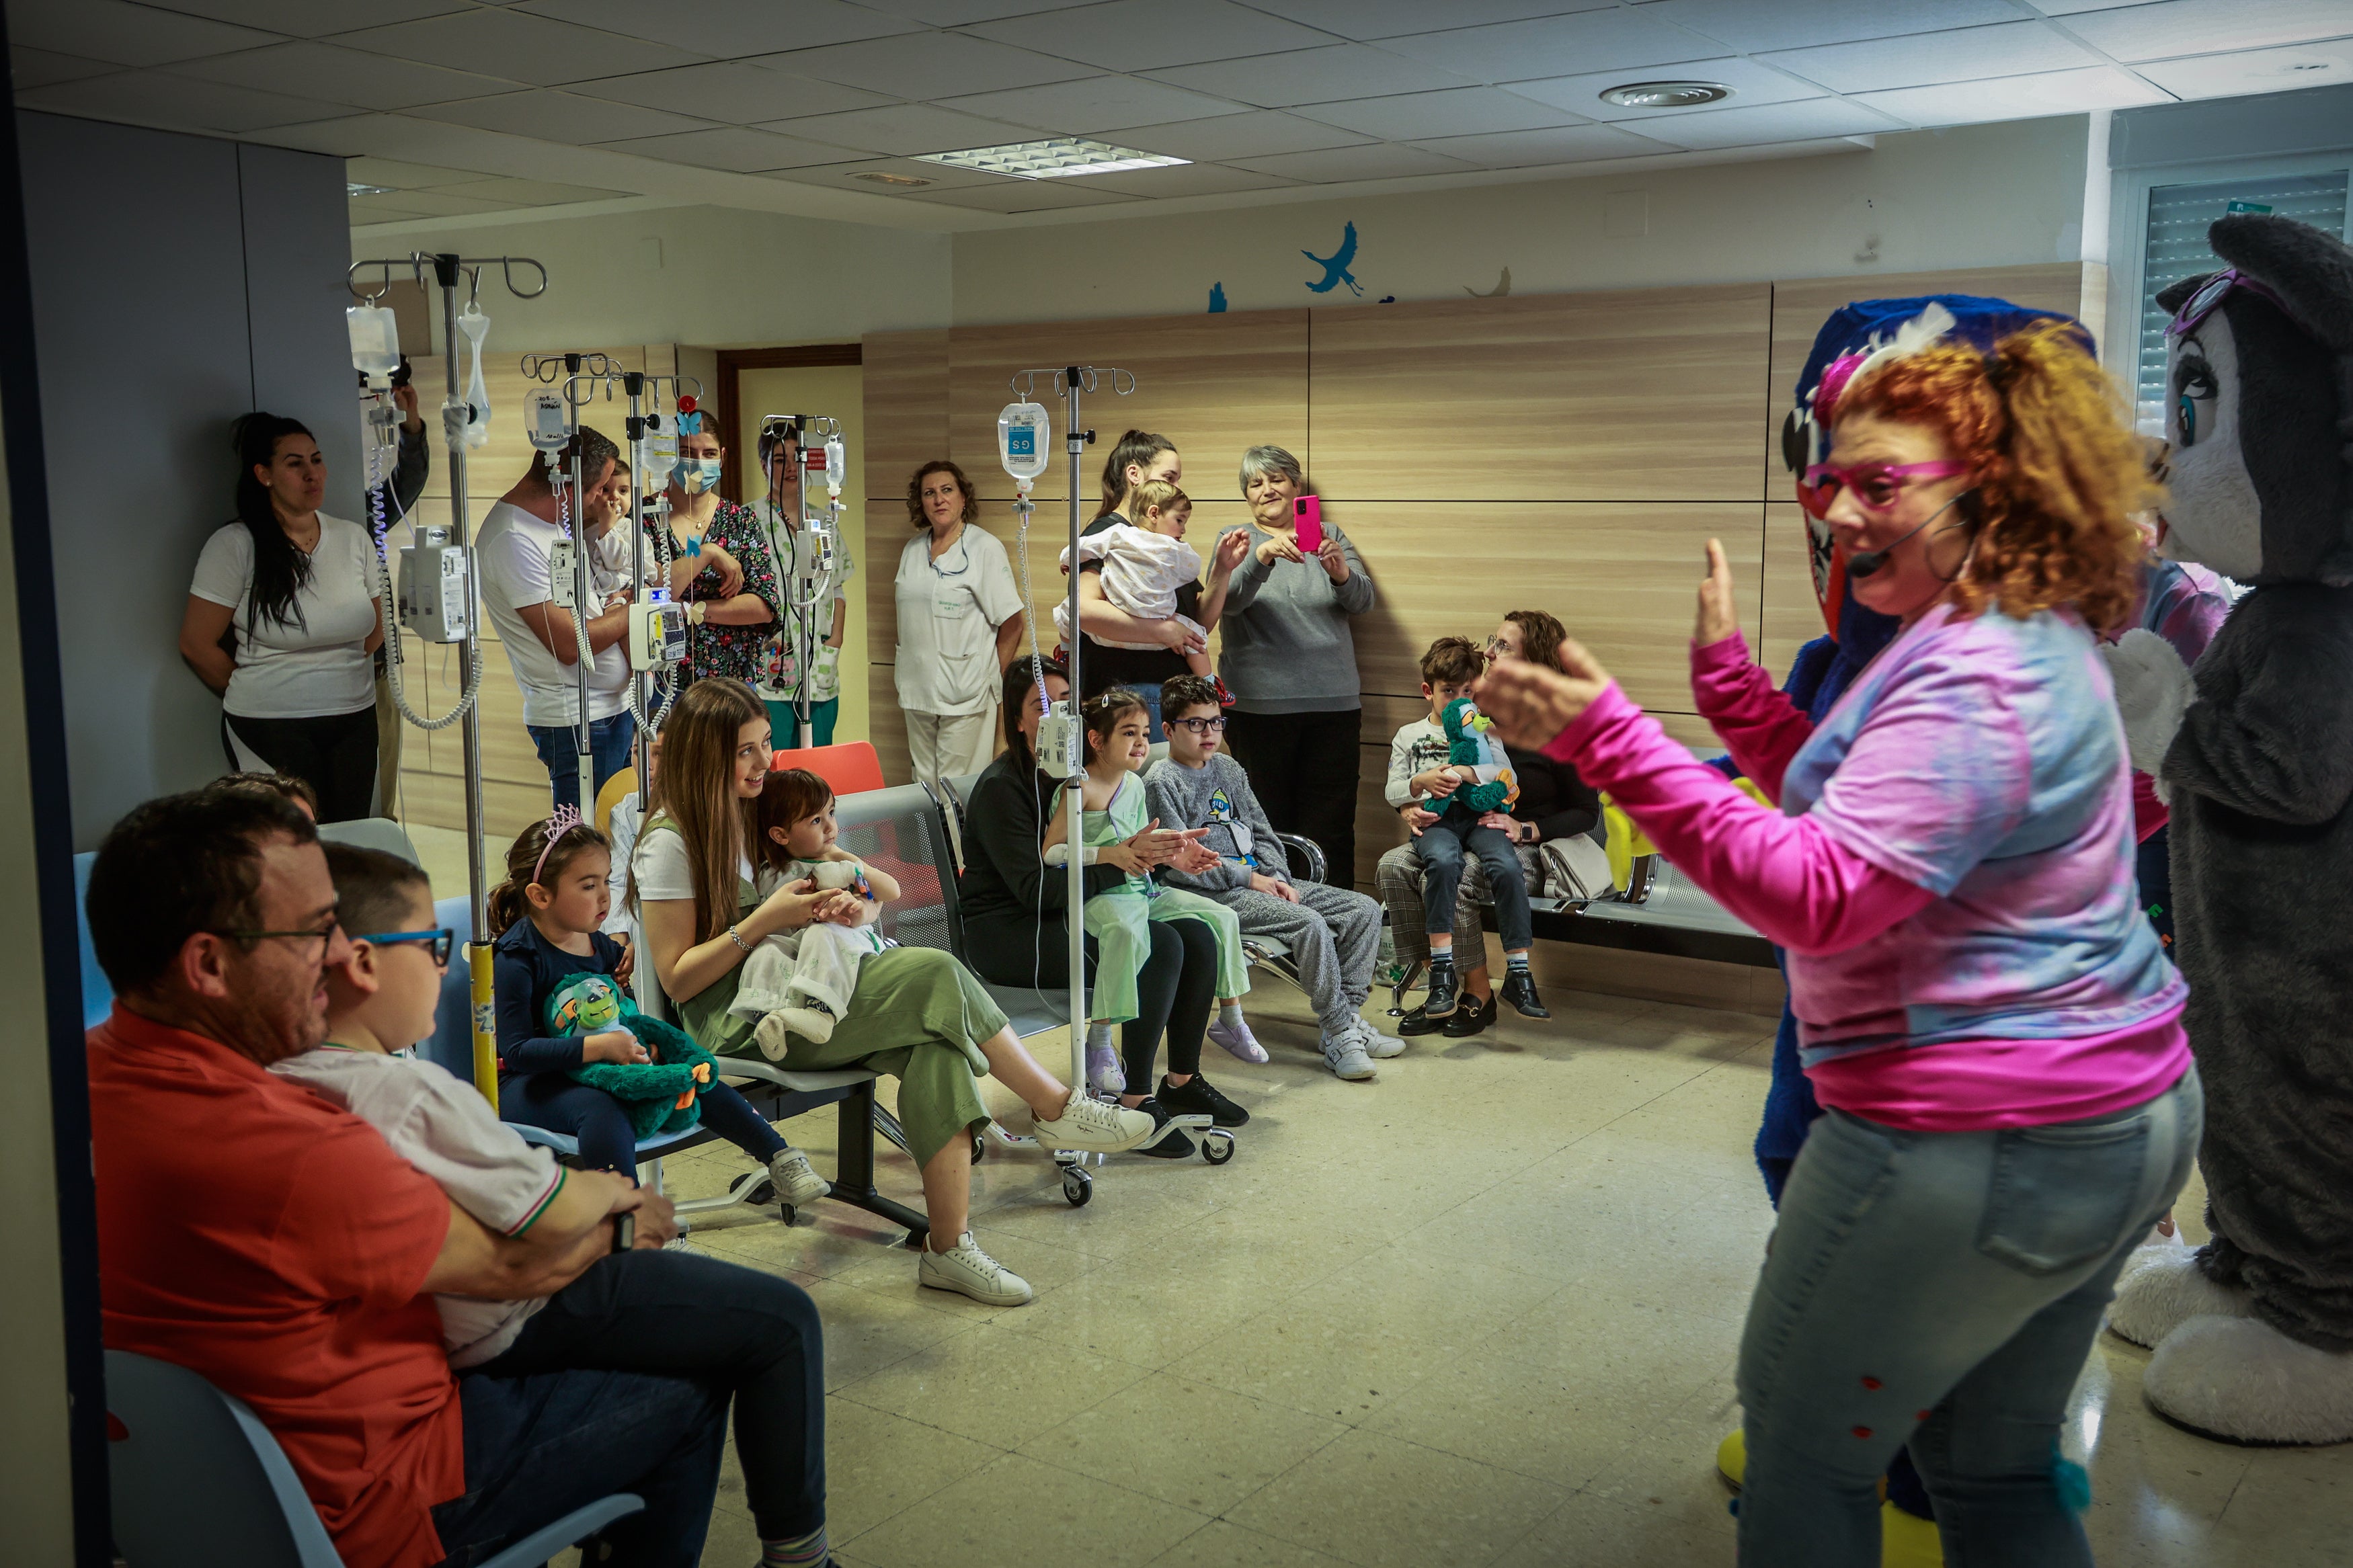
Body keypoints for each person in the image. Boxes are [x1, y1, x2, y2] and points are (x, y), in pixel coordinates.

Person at [1477, 317, 2200, 1568]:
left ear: (1996, 491)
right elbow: (1864, 802)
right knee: (1994, 1468)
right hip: (2100, 1110)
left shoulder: (1981, 669)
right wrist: (1731, 698)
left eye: (1880, 486)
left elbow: (1820, 888)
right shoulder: (2014, 632)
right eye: (1832, 482)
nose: (1841, 514)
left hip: (1977, 1131)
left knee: (1812, 1456)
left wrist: (1608, 740)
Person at [81, 788, 761, 1568]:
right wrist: (622, 1219)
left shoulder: (71, 1088)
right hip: (376, 1490)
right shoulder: (295, 1144)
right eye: (313, 933)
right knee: (685, 1387)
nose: (341, 957)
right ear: (207, 962)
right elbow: (512, 1266)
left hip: (193, 1497)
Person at [268, 842, 837, 1568]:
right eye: (433, 945)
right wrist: (622, 1204)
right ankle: (801, 1557)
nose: (445, 967)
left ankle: (773, 1154)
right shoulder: (402, 1092)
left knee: (692, 1089)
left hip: (436, 1338)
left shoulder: (278, 1079)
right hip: (501, 1325)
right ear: (361, 962)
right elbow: (548, 1211)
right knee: (775, 1324)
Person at [634, 677, 1156, 1306]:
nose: (766, 762)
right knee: (935, 973)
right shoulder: (670, 844)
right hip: (747, 1015)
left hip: (812, 985)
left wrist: (853, 911)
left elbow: (845, 881)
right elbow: (678, 978)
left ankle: (948, 1248)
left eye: (766, 744)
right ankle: (1054, 1106)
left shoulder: (752, 813)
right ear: (704, 755)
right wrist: (766, 919)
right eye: (747, 751)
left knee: (935, 1053)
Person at [488, 809, 830, 1210]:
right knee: (602, 1110)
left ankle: (779, 1158)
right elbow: (517, 1052)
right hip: (525, 1083)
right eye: (587, 886)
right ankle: (629, 1218)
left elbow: (621, 1015)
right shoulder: (516, 959)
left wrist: (639, 1043)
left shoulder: (598, 945)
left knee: (694, 1072)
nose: (604, 897)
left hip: (598, 1068)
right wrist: (603, 1049)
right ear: (540, 896)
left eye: (605, 881)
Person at [958, 658, 1226, 1104]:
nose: (1056, 714)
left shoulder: (1083, 774)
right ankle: (1136, 1098)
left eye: (1065, 702)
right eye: (1042, 704)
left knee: (1197, 935)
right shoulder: (1004, 789)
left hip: (1074, 906)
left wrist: (1166, 853)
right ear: (1018, 719)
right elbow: (1035, 890)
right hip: (1011, 931)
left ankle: (1182, 1081)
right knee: (1162, 946)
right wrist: (1120, 861)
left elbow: (1125, 858)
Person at [1148, 673, 1396, 1081]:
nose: (1209, 733)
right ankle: (1337, 1029)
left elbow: (1262, 831)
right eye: (1195, 723)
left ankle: (1346, 1022)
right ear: (1169, 729)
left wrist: (1276, 877)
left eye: (1215, 721)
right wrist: (1251, 880)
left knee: (1364, 909)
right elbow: (1182, 861)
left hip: (1262, 881)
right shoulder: (1162, 781)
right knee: (1310, 923)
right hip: (1217, 893)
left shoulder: (1227, 766)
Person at [1375, 611, 1602, 1039]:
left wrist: (1526, 828)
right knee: (1393, 866)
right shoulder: (1475, 708)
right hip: (1458, 824)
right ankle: (1439, 985)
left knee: (1454, 878)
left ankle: (1477, 995)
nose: (1488, 652)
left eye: (1502, 646)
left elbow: (1586, 813)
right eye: (1491, 641)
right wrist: (1408, 810)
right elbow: (1424, 769)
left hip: (1526, 844)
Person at [1043, 688, 1252, 1135]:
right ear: (1096, 740)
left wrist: (1176, 855)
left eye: (1143, 732)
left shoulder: (1134, 784)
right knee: (1127, 931)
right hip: (1106, 896)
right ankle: (1100, 1040)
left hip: (1142, 889)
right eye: (1128, 733)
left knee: (1218, 918)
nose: (1140, 743)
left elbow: (1143, 845)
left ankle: (1231, 1017)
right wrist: (1108, 855)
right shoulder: (1077, 789)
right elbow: (1052, 852)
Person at [181, 413, 383, 823]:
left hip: (354, 717)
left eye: (316, 459)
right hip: (270, 723)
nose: (313, 474)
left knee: (350, 839)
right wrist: (264, 685)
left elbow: (376, 628)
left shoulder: (352, 538)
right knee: (291, 847)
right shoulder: (235, 545)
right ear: (264, 474)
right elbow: (197, 644)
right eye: (295, 464)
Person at [475, 429, 641, 811]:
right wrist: (634, 613)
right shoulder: (512, 539)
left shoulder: (554, 525)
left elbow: (584, 609)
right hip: (577, 722)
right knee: (584, 848)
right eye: (598, 488)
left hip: (609, 709)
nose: (604, 499)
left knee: (616, 841)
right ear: (564, 482)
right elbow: (570, 644)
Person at [1387, 636, 1544, 1027]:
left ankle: (1519, 973)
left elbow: (1505, 775)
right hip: (1436, 822)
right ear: (1428, 692)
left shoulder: (1484, 731)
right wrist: (1420, 783)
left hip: (1480, 817)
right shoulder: (1409, 735)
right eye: (1448, 691)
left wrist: (1465, 772)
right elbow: (1392, 790)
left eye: (1467, 691)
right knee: (1441, 864)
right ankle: (1441, 975)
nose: (1459, 699)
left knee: (1506, 867)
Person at [1068, 430, 1249, 737]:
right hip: (1130, 695)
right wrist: (1163, 631)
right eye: (1170, 477)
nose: (1176, 488)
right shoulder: (1108, 535)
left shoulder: (1163, 541)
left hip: (1167, 693)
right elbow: (1083, 609)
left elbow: (1198, 623)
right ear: (1135, 475)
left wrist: (1222, 569)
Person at [729, 768, 896, 1050]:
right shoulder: (768, 872)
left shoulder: (837, 866)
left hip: (842, 943)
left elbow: (890, 891)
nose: (830, 827)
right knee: (766, 950)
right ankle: (770, 1020)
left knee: (821, 933)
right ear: (780, 835)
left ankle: (821, 1014)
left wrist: (846, 860)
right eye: (817, 820)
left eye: (832, 813)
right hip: (795, 951)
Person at [892, 460, 1023, 786]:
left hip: (967, 694)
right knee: (922, 788)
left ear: (964, 498)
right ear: (921, 503)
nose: (939, 499)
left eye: (947, 490)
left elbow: (1013, 624)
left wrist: (990, 677)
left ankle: (960, 841)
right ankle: (928, 842)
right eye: (929, 493)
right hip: (917, 688)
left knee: (957, 791)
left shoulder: (984, 548)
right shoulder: (912, 550)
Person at [1055, 480, 1232, 700]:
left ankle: (1065, 651)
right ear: (1154, 512)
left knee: (1064, 612)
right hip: (1158, 623)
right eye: (1179, 521)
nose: (1183, 529)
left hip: (1116, 627)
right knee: (1196, 637)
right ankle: (1210, 685)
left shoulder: (1118, 534)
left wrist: (1069, 561)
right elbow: (1192, 568)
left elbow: (1083, 546)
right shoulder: (1174, 549)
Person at [752, 422, 855, 749]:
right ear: (764, 464)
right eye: (780, 460)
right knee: (775, 767)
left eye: (798, 457)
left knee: (817, 771)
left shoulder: (825, 522)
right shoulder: (747, 521)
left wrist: (835, 640)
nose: (792, 468)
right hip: (772, 666)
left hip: (820, 667)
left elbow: (836, 588)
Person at [662, 417, 778, 686]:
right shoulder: (648, 519)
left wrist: (689, 609)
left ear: (722, 457)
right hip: (665, 683)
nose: (698, 463)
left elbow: (764, 606)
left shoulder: (741, 521)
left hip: (733, 679)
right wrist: (709, 552)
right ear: (668, 456)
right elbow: (654, 593)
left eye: (709, 453)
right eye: (686, 453)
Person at [366, 369, 430, 817]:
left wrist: (410, 422)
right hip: (318, 684)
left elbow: (406, 481)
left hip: (377, 666)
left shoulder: (362, 515)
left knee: (379, 789)